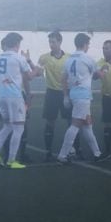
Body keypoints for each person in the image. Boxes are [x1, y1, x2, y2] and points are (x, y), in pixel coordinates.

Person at [0, 32, 40, 169]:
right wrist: (37, 69)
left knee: (7, 126)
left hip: (1, 96)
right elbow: (30, 76)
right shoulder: (18, 58)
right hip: (15, 96)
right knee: (19, 127)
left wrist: (2, 83)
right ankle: (11, 160)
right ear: (16, 44)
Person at [57, 33, 104, 162]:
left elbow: (63, 79)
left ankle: (97, 153)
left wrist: (66, 96)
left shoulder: (69, 59)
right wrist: (105, 70)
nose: (88, 46)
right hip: (83, 95)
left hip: (74, 94)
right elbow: (99, 75)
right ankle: (62, 155)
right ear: (84, 44)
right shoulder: (87, 58)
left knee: (87, 125)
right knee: (75, 125)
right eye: (88, 44)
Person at [38, 31, 72, 161]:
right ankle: (48, 151)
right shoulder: (44, 57)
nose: (51, 44)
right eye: (49, 42)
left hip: (65, 92)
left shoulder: (69, 57)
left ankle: (74, 149)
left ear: (60, 42)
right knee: (50, 122)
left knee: (71, 122)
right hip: (51, 93)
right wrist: (30, 62)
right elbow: (38, 71)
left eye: (53, 42)